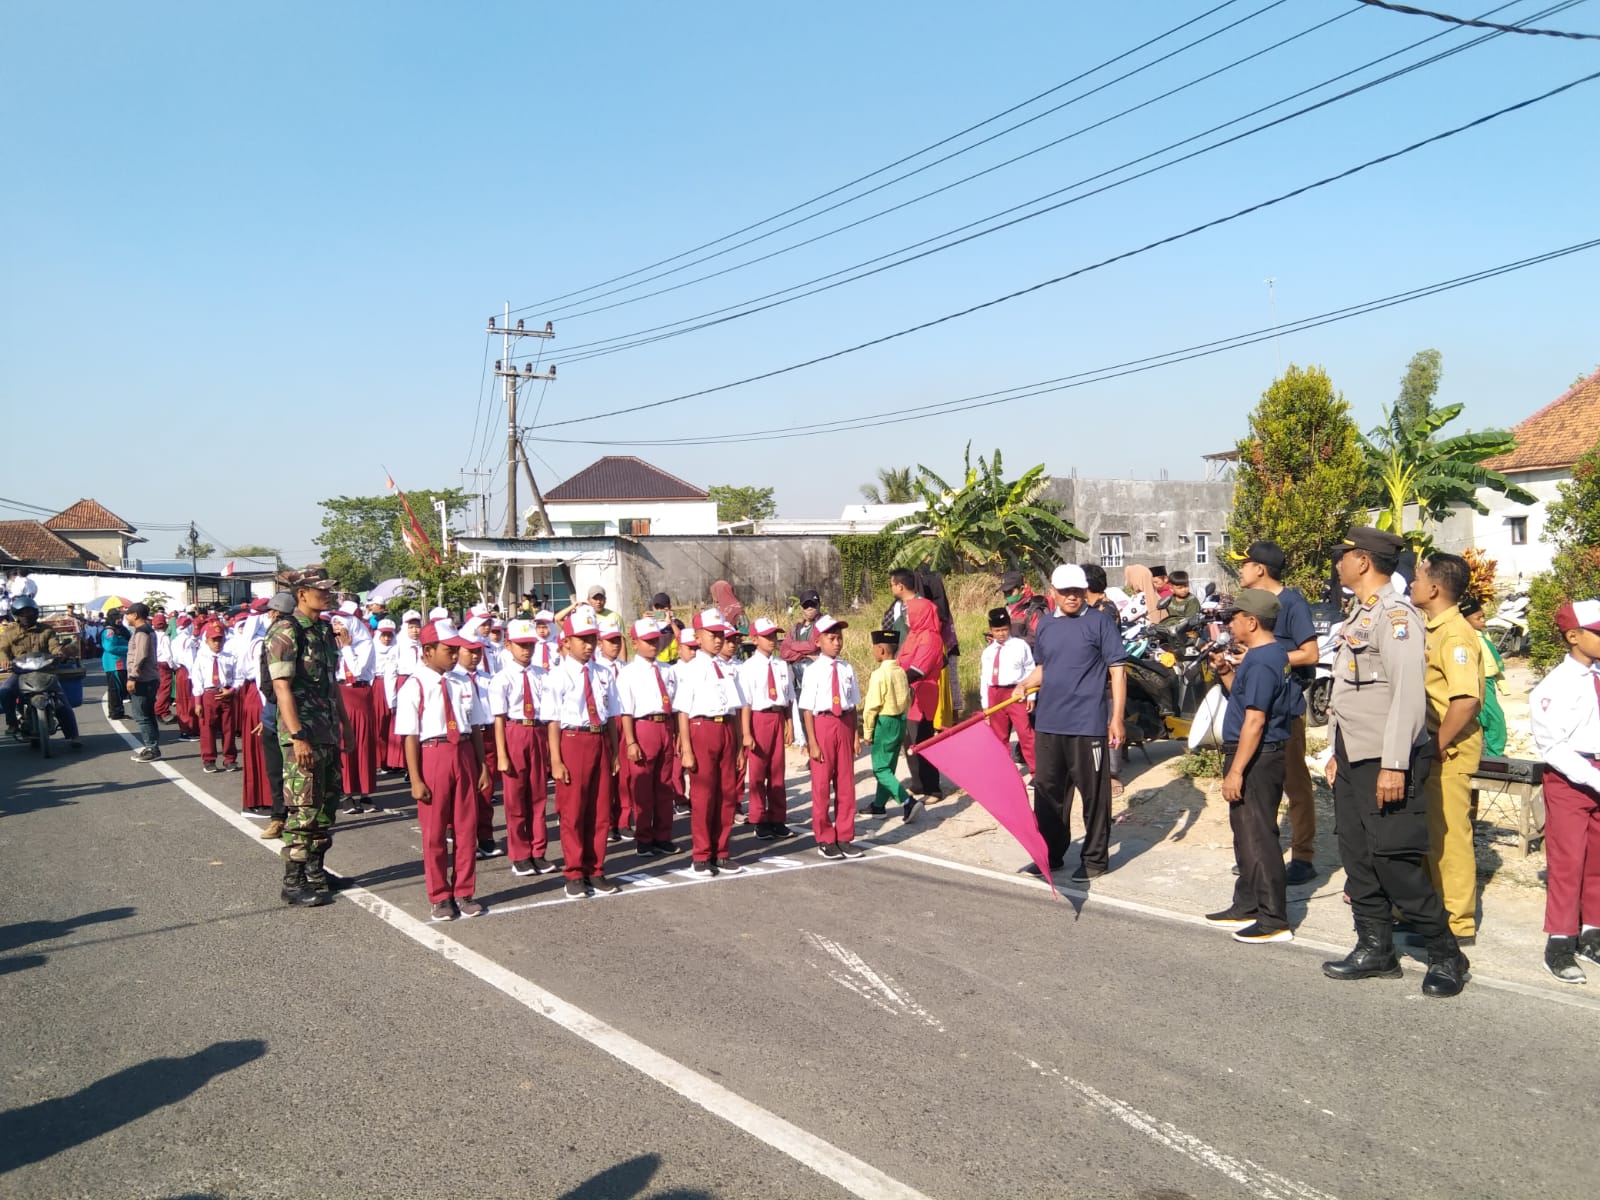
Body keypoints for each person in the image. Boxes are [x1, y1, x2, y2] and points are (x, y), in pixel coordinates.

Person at [1321, 527, 1468, 997]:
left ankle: (1446, 953)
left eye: (1343, 556)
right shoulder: (1360, 613)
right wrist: (1333, 750)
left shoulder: (1397, 615)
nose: (1338, 563)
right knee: (1357, 856)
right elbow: (1345, 692)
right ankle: (1376, 948)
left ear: (1363, 561)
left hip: (1387, 757)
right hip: (1353, 755)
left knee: (1396, 860)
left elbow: (1407, 694)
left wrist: (1394, 764)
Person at [1011, 564, 1127, 884]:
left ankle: (1094, 858)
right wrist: (1024, 685)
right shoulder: (1046, 624)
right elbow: (1044, 667)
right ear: (1053, 593)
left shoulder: (1100, 622)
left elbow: (1117, 669)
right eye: (1065, 592)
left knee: (1094, 795)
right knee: (1048, 793)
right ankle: (1051, 853)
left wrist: (1115, 718)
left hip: (1087, 723)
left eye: (1077, 591)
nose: (1072, 597)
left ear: (1084, 590)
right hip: (1049, 722)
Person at [1203, 589, 1297, 944]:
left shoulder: (1261, 661)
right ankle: (1247, 904)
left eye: (1236, 617)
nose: (1231, 623)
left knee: (1258, 837)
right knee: (1245, 834)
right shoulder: (1267, 655)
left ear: (1252, 621)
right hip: (1258, 753)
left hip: (1257, 757)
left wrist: (1236, 770)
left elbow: (1255, 721)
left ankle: (1273, 918)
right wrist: (1226, 672)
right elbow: (1245, 700)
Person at [266, 568, 351, 909]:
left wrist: (345, 724)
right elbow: (282, 687)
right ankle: (293, 881)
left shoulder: (322, 630)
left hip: (326, 731)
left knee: (326, 806)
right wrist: (298, 736)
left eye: (329, 589)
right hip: (302, 734)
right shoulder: (287, 631)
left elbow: (331, 683)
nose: (327, 594)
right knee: (302, 810)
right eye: (320, 590)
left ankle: (317, 871)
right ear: (301, 593)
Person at [394, 617, 490, 920]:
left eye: (456, 649)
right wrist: (416, 778)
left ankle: (464, 891)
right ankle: (439, 896)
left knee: (466, 827)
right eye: (449, 650)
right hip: (433, 753)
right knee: (435, 832)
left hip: (462, 753)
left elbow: (475, 727)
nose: (454, 655)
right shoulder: (415, 685)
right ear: (427, 651)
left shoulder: (463, 681)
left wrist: (482, 766)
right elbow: (409, 735)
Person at [1411, 553, 1484, 943]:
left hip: (1448, 748)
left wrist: (1436, 746)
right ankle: (1427, 912)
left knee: (1450, 835)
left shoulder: (1455, 634)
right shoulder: (1432, 627)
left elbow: (1465, 700)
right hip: (1432, 744)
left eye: (1419, 576)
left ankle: (1457, 923)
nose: (1413, 582)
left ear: (1435, 588)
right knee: (1428, 833)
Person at [1237, 541, 1320, 884]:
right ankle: (1263, 852)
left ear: (1260, 569)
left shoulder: (1292, 603)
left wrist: (1269, 659)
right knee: (1261, 782)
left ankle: (1303, 856)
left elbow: (1311, 653)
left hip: (1285, 710)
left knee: (1295, 784)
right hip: (1257, 705)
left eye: (1245, 564)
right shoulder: (1250, 607)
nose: (1240, 570)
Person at [1527, 599, 1600, 984]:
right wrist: (1593, 777)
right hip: (1573, 776)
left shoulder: (1597, 675)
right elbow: (1553, 746)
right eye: (1598, 632)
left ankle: (1592, 932)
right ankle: (1559, 941)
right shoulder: (1554, 685)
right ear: (1573, 636)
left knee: (1598, 862)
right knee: (1568, 862)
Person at [545, 606, 623, 898]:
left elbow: (612, 714)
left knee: (601, 809)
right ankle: (574, 872)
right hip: (573, 740)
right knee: (574, 810)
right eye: (582, 639)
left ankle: (596, 868)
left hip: (599, 738)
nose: (589, 645)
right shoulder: (558, 675)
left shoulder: (603, 673)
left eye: (592, 638)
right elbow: (553, 721)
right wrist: (556, 759)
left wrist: (615, 751)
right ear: (566, 642)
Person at [675, 608, 747, 875]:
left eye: (720, 635)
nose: (718, 640)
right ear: (698, 636)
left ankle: (722, 850)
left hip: (726, 729)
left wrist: (739, 746)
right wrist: (687, 749)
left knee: (727, 793)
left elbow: (735, 710)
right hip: (702, 727)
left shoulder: (728, 668)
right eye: (712, 635)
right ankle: (702, 854)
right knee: (704, 795)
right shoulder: (692, 669)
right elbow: (683, 710)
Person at [491, 617, 556, 876]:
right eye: (521, 645)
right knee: (516, 798)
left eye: (530, 644)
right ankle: (519, 854)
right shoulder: (502, 678)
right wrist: (502, 754)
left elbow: (551, 714)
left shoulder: (543, 675)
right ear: (508, 645)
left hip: (538, 731)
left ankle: (538, 851)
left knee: (538, 796)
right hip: (515, 731)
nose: (526, 649)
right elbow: (499, 719)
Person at [797, 614, 862, 858]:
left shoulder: (847, 668)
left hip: (844, 723)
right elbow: (806, 709)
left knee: (846, 784)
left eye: (839, 638)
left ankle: (845, 834)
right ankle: (825, 837)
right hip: (822, 724)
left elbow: (853, 704)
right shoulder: (813, 671)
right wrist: (812, 742)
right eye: (831, 638)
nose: (837, 643)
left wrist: (855, 735)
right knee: (822, 785)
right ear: (818, 642)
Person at [617, 617, 680, 856]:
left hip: (665, 726)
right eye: (649, 640)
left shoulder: (667, 670)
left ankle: (663, 835)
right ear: (635, 643)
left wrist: (675, 734)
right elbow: (626, 710)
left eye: (657, 639)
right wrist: (631, 741)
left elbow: (675, 704)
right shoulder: (629, 673)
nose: (654, 644)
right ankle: (644, 837)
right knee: (643, 785)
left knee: (665, 785)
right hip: (643, 726)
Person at [0, 595, 81, 747]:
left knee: (62, 701)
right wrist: (3, 659)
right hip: (20, 672)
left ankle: (73, 736)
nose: (26, 616)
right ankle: (12, 724)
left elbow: (54, 647)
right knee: (5, 691)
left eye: (29, 613)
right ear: (16, 615)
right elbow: (2, 649)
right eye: (22, 613)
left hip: (45, 671)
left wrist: (61, 653)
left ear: (35, 613)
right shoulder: (9, 632)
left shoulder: (46, 630)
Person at [739, 616, 793, 839]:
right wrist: (746, 732)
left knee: (777, 771)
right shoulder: (748, 667)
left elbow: (788, 697)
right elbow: (746, 703)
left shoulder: (782, 664)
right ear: (755, 639)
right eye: (767, 636)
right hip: (758, 718)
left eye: (774, 635)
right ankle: (759, 818)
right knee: (759, 771)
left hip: (777, 717)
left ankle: (778, 818)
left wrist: (789, 724)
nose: (772, 640)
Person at [893, 569, 945, 799]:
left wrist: (893, 679)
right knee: (910, 743)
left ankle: (933, 787)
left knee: (922, 743)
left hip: (922, 696)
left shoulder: (930, 638)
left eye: (911, 613)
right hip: (910, 697)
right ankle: (918, 784)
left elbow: (917, 670)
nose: (907, 618)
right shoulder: (916, 634)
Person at [861, 629, 918, 822]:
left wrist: (867, 731)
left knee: (880, 769)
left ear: (881, 650)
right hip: (901, 720)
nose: (873, 651)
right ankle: (879, 805)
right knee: (889, 766)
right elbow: (908, 697)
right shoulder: (901, 671)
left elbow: (871, 706)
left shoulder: (879, 674)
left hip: (885, 721)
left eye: (874, 648)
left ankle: (907, 801)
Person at [981, 606, 1036, 773]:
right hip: (995, 693)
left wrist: (1031, 696)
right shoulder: (988, 651)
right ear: (991, 630)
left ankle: (1037, 771)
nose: (1001, 634)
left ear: (1009, 628)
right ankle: (1004, 771)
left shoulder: (1020, 646)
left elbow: (1030, 670)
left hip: (1015, 693)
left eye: (1004, 630)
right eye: (997, 630)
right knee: (999, 736)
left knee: (1025, 733)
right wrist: (985, 704)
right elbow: (984, 678)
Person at [333, 613, 379, 813]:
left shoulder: (365, 645)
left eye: (341, 625)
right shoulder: (333, 646)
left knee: (363, 743)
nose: (338, 629)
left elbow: (357, 669)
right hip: (341, 693)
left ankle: (366, 793)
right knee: (344, 742)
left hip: (360, 693)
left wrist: (346, 647)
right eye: (335, 625)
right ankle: (347, 793)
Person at [1459, 598, 1507, 756]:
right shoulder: (1467, 637)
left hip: (1490, 682)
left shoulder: (1482, 635)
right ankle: (1494, 756)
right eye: (1478, 618)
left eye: (1483, 617)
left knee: (1485, 718)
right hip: (1480, 682)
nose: (1483, 621)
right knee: (1495, 720)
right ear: (1465, 620)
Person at [191, 620, 240, 772]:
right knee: (207, 727)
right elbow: (197, 680)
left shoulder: (229, 657)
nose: (217, 643)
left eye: (220, 639)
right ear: (207, 641)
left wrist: (231, 690)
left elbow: (238, 676)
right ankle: (209, 759)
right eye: (214, 640)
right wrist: (198, 702)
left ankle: (230, 758)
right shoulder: (201, 657)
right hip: (209, 694)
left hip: (225, 693)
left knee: (228, 728)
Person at [781, 590, 822, 750]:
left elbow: (814, 644)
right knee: (803, 713)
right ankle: (810, 747)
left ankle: (820, 747)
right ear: (802, 608)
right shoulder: (795, 628)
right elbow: (784, 651)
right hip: (798, 679)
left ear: (818, 605)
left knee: (817, 714)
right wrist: (807, 653)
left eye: (813, 605)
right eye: (806, 605)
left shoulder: (822, 624)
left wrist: (794, 648)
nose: (810, 608)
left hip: (817, 678)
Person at [124, 604, 162, 760]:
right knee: (148, 714)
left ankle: (151, 748)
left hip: (143, 679)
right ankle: (152, 746)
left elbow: (140, 656)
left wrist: (133, 677)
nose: (126, 618)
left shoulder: (142, 632)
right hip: (149, 677)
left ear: (135, 615)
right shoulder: (146, 630)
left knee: (142, 716)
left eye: (128, 614)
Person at [101, 608, 130, 720]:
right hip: (114, 663)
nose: (119, 620)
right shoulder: (109, 631)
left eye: (120, 617)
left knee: (122, 689)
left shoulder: (122, 629)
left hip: (123, 663)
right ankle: (115, 712)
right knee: (115, 689)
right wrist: (129, 648)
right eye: (117, 618)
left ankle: (119, 711)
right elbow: (110, 647)